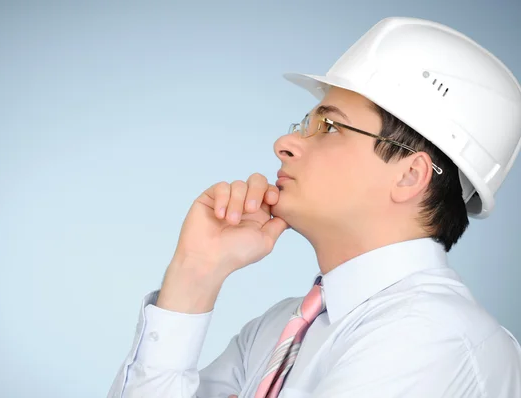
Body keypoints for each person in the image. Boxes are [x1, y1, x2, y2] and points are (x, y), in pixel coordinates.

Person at [107, 17, 521, 397]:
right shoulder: (276, 331)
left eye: (330, 126)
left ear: (410, 176)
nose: (284, 144)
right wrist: (194, 273)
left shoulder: (433, 337)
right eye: (304, 125)